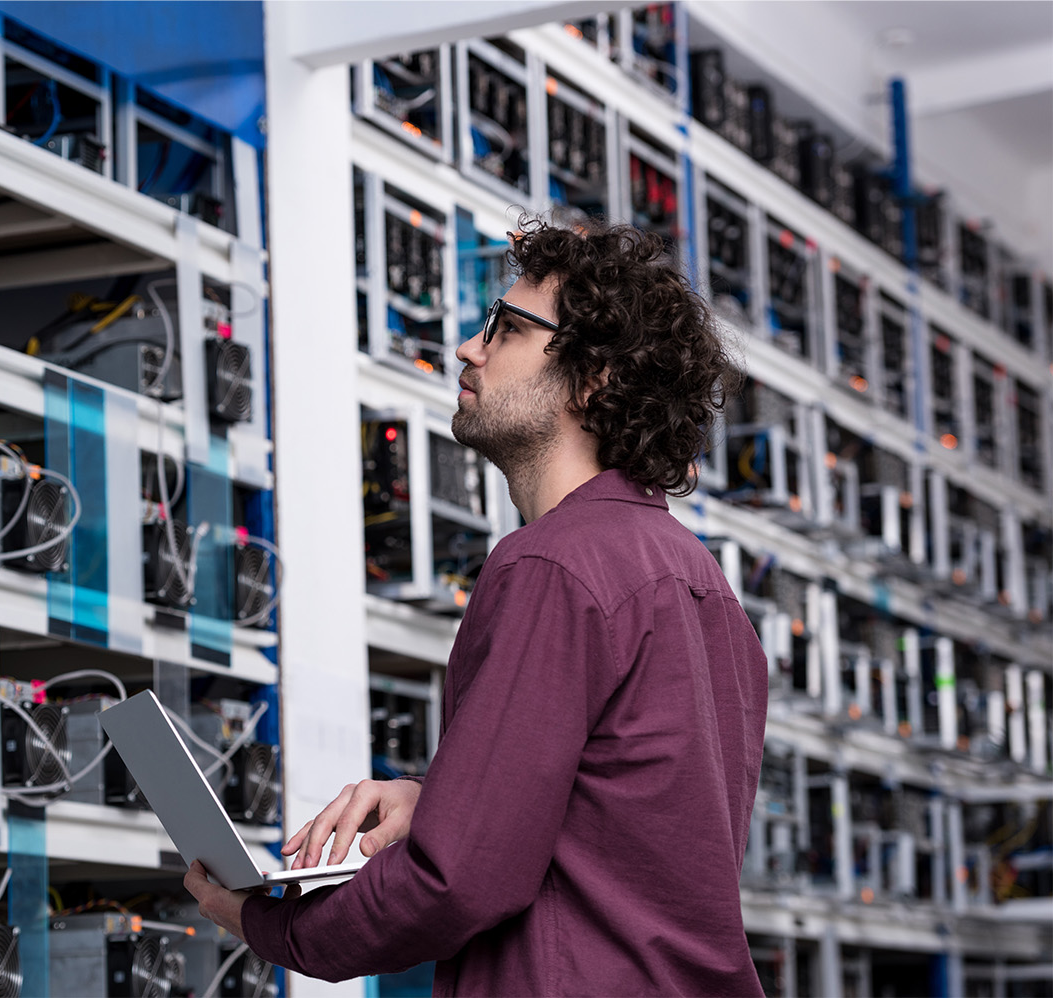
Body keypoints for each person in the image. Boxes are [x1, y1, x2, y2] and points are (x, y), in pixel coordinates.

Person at [185, 216, 768, 997]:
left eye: (508, 328)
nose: (468, 348)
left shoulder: (552, 565)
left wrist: (268, 923)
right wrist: (443, 803)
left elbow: (456, 882)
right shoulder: (702, 586)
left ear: (593, 378)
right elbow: (624, 831)